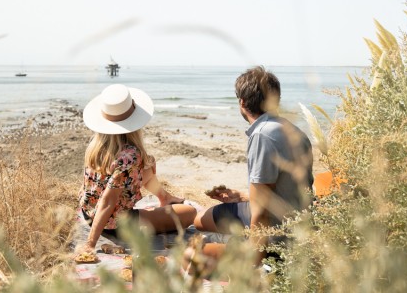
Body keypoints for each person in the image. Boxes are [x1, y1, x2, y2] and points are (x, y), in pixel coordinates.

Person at [193, 66, 314, 263]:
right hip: (299, 225)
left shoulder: (262, 134)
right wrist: (241, 196)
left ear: (242, 102)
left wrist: (256, 262)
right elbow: (289, 187)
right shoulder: (295, 131)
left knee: (199, 220)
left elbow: (261, 211)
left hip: (278, 234)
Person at [75, 84, 197, 257]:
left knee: (149, 163)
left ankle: (164, 197)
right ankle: (165, 199)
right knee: (189, 213)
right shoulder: (129, 156)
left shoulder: (96, 146)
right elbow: (108, 201)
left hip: (87, 213)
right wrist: (90, 243)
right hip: (115, 225)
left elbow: (91, 187)